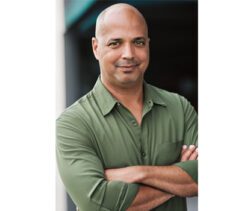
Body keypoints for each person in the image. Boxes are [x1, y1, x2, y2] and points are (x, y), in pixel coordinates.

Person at [56, 3, 198, 211]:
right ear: (96, 47)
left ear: (148, 44)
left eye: (138, 42)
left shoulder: (179, 108)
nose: (129, 54)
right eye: (115, 43)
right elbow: (95, 201)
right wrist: (178, 178)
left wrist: (140, 172)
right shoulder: (74, 122)